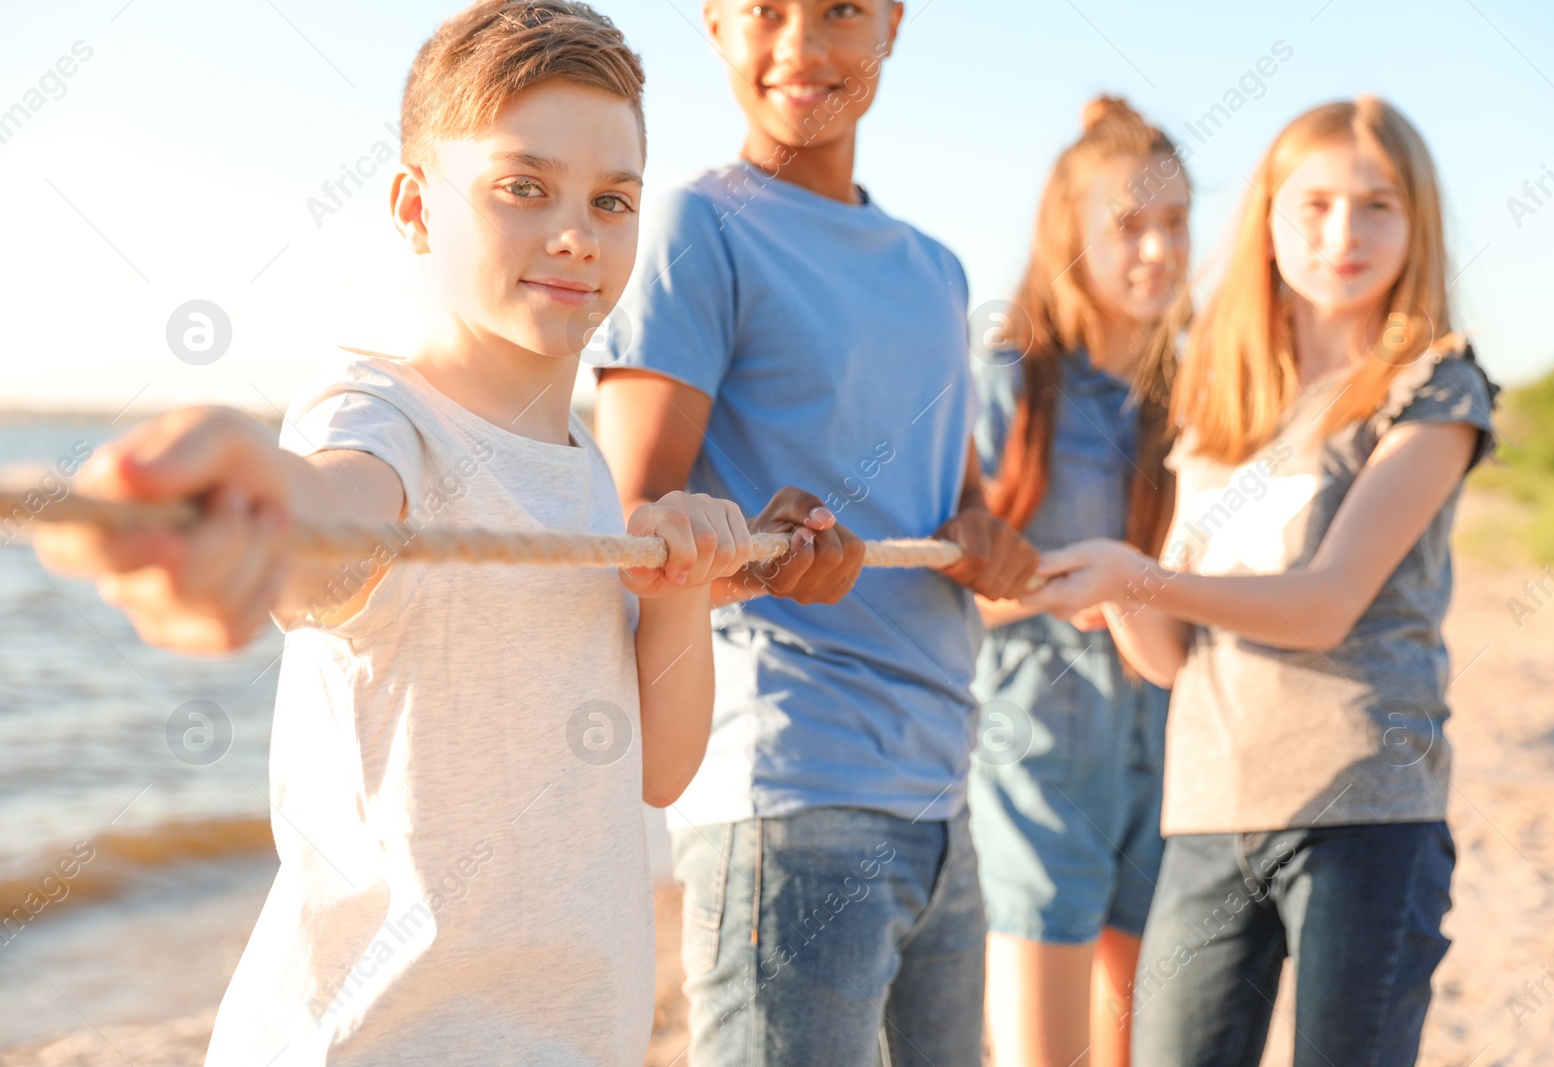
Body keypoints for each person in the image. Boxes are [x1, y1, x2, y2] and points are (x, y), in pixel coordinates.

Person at [34, 3, 755, 1063]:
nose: (576, 232)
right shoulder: (375, 415)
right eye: (524, 186)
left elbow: (655, 769)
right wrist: (256, 515)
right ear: (417, 208)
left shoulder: (585, 468)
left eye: (611, 199)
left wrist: (680, 585)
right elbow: (335, 516)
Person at [591, 1, 1038, 1063]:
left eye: (838, 8)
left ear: (891, 21)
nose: (800, 43)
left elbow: (955, 510)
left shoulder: (937, 270)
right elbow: (629, 528)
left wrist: (993, 543)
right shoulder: (695, 226)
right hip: (785, 797)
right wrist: (758, 549)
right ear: (713, 27)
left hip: (941, 795)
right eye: (764, 10)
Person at [1026, 97, 1498, 1067]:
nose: (1342, 233)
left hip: (1365, 814)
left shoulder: (1436, 386)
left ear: (1417, 223)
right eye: (1313, 203)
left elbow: (1323, 604)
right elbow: (1167, 659)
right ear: (1268, 218)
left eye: (1377, 205)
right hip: (1204, 814)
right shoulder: (1217, 392)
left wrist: (1141, 576)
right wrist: (1111, 584)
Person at [967, 96, 1189, 1067]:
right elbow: (941, 579)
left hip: (1170, 742)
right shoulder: (1010, 377)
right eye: (1128, 225)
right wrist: (1072, 587)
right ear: (1072, 232)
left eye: (1175, 223)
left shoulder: (1191, 395)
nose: (1157, 250)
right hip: (1036, 742)